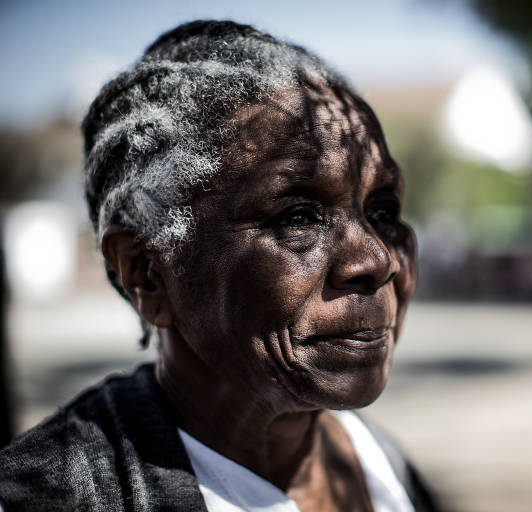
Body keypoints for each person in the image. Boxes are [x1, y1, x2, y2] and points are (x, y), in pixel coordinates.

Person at [0, 20, 437, 511]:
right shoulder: (48, 497)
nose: (377, 260)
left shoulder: (382, 467)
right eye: (297, 215)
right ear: (146, 272)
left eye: (383, 211)